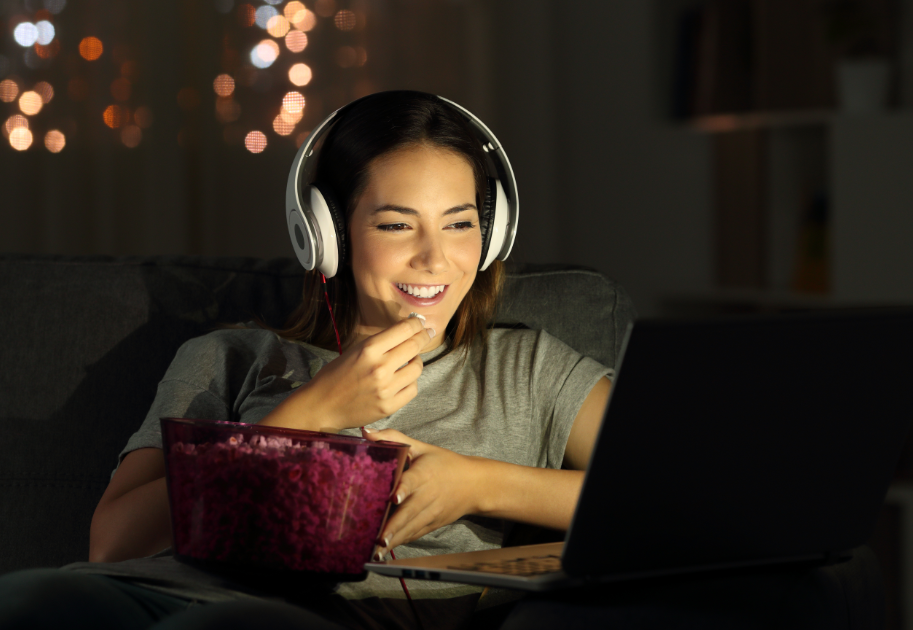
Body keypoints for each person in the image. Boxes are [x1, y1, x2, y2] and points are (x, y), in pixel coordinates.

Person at [0, 91, 612, 630]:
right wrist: (308, 414)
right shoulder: (229, 357)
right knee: (30, 597)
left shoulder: (529, 370)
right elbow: (114, 545)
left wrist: (480, 483)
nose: (435, 259)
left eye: (459, 225)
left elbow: (678, 497)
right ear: (329, 235)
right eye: (398, 225)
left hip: (318, 616)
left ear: (492, 232)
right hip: (143, 594)